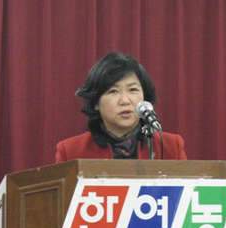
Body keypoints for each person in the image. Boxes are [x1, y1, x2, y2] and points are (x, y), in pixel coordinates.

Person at [55, 52, 188, 162]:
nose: (125, 101)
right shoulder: (71, 152)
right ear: (95, 102)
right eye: (113, 91)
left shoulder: (171, 147)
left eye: (133, 90)